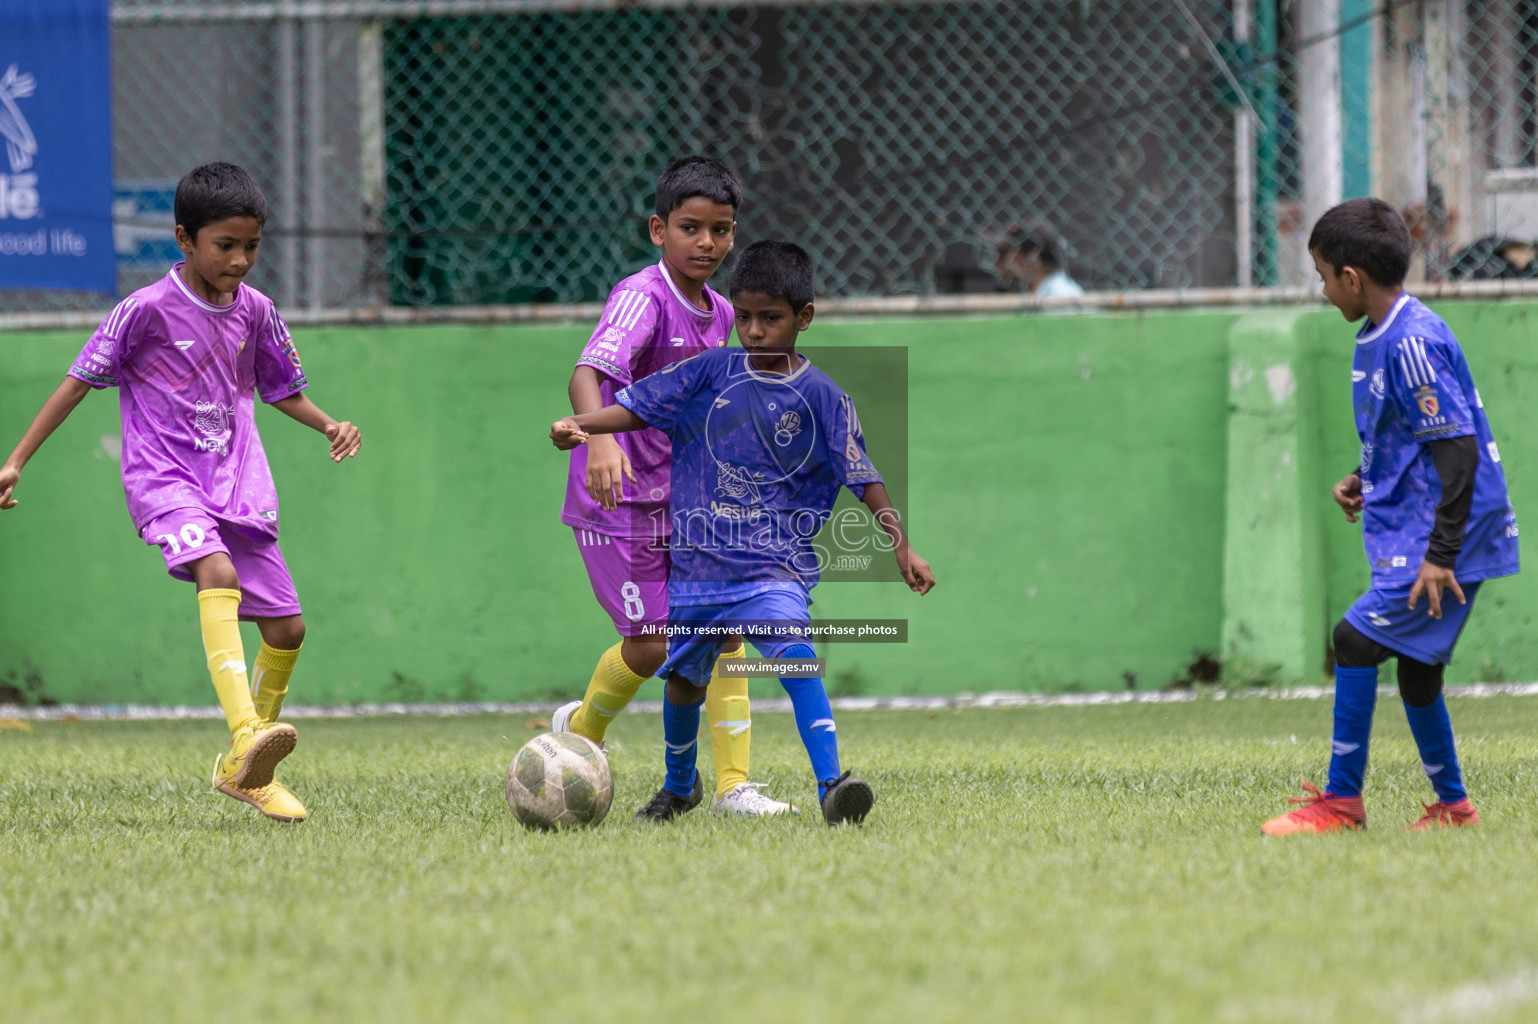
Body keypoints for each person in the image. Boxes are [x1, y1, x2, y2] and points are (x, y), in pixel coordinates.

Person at [0, 162, 361, 823]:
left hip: (239, 484)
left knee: (287, 627)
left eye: (251, 246)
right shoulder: (142, 313)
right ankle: (248, 730)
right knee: (214, 570)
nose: (241, 260)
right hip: (164, 480)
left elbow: (282, 389)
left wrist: (328, 423)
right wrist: (16, 459)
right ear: (184, 239)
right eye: (226, 245)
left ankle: (246, 769)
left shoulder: (257, 313)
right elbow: (78, 382)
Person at [550, 240, 936, 825]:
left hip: (770, 569)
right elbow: (636, 407)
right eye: (746, 316)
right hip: (697, 572)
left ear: (803, 318)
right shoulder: (708, 372)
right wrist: (582, 425)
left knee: (795, 659)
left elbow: (863, 474)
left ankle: (833, 785)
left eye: (771, 318)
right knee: (682, 680)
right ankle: (680, 786)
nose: (754, 331)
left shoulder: (824, 396)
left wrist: (900, 545)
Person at [1262, 197, 1519, 836]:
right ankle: (1455, 809)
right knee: (1417, 669)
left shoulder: (1411, 343)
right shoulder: (1384, 334)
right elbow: (1412, 432)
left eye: (1322, 276)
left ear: (1352, 277)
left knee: (1353, 640)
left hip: (1449, 532)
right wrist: (1364, 475)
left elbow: (1458, 451)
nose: (1322, 290)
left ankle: (1341, 803)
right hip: (1434, 524)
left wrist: (1441, 555)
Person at [549, 156, 790, 817]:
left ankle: (733, 788)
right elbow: (587, 376)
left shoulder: (720, 313)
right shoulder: (641, 298)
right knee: (654, 645)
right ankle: (582, 735)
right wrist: (600, 439)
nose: (706, 243)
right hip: (618, 501)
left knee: (725, 631)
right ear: (659, 229)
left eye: (721, 230)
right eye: (691, 228)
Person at [994, 221, 1084, 299]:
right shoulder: (1034, 292)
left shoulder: (1061, 294)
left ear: (1032, 257)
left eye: (1004, 254)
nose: (996, 264)